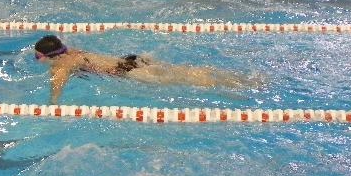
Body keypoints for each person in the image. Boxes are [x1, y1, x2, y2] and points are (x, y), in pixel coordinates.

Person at [33, 35, 258, 104]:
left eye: (37, 56)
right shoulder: (71, 52)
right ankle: (241, 79)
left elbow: (56, 93)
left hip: (129, 72)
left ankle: (237, 86)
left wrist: (53, 105)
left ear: (47, 56)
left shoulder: (61, 66)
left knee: (187, 80)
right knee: (185, 72)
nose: (37, 59)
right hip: (133, 60)